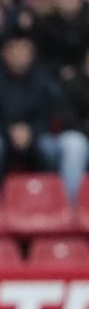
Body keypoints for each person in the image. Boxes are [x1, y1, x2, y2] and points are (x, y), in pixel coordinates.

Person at [0, 30, 59, 184]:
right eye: (15, 48)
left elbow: (46, 115)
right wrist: (9, 131)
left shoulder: (42, 78)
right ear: (5, 52)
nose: (20, 53)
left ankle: (46, 195)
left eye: (25, 49)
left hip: (31, 133)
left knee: (49, 147)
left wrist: (30, 130)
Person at [56, 46, 89, 202]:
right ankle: (72, 204)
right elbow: (67, 119)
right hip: (76, 134)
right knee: (75, 146)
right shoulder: (72, 84)